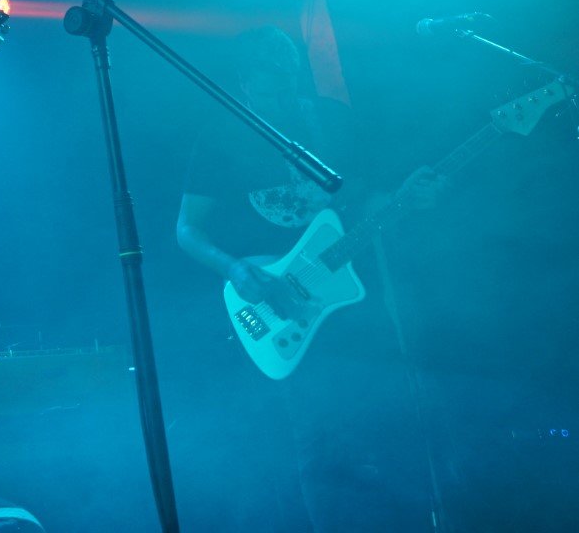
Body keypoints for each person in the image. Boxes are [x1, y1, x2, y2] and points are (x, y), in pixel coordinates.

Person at [175, 26, 436, 530]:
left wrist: (409, 199)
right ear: (244, 79)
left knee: (390, 423)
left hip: (355, 297)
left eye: (287, 73)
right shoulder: (222, 134)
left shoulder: (330, 120)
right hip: (281, 306)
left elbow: (367, 202)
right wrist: (234, 267)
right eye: (267, 76)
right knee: (319, 443)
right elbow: (187, 229)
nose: (280, 87)